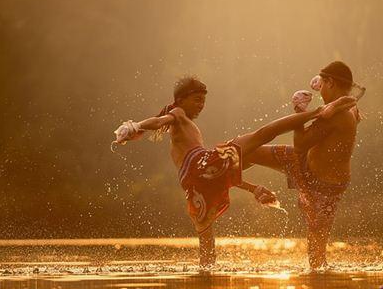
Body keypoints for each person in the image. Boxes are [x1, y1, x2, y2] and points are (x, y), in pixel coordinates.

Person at [113, 76, 356, 268]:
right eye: (197, 100)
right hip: (201, 162)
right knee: (262, 135)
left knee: (207, 247)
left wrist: (253, 189)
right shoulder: (177, 114)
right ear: (181, 100)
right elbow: (157, 122)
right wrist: (135, 125)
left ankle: (205, 281)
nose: (201, 105)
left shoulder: (179, 131)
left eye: (203, 101)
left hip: (193, 183)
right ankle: (314, 112)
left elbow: (215, 176)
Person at [243, 61, 362, 270]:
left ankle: (321, 288)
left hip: (324, 187)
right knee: (249, 152)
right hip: (305, 164)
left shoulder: (339, 113)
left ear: (331, 83)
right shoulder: (348, 106)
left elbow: (299, 144)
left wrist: (299, 111)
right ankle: (222, 171)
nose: (320, 91)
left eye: (323, 85)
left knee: (317, 257)